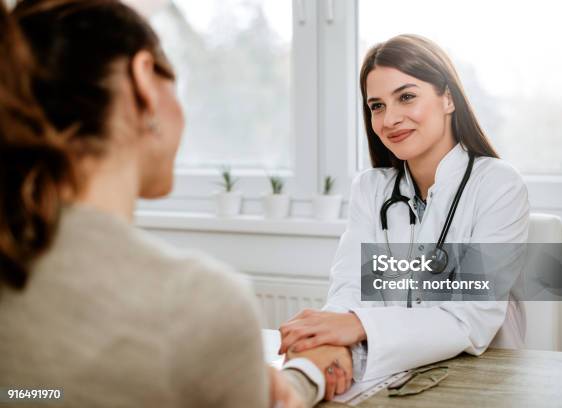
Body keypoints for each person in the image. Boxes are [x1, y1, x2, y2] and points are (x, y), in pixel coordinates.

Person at [0, 0, 350, 406]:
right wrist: (317, 362)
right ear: (144, 81)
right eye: (377, 105)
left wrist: (302, 373)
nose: (390, 119)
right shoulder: (198, 303)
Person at [279, 34, 529, 387]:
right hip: (394, 372)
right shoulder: (370, 189)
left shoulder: (499, 185)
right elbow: (350, 287)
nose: (389, 118)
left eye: (406, 97)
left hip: (479, 380)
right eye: (377, 106)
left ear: (447, 98)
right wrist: (325, 338)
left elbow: (471, 319)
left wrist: (359, 326)